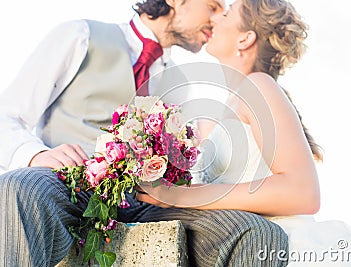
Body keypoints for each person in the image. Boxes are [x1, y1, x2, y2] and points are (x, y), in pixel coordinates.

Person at [0, 0, 290, 266]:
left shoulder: (182, 85)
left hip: (145, 203)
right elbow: (7, 114)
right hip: (71, 187)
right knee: (21, 186)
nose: (216, 19)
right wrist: (35, 154)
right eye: (212, 6)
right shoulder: (80, 35)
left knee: (255, 232)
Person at [135, 0, 351, 265]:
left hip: (279, 246)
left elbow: (302, 192)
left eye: (226, 14)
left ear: (246, 38)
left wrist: (183, 196)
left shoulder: (259, 86)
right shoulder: (230, 103)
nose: (215, 20)